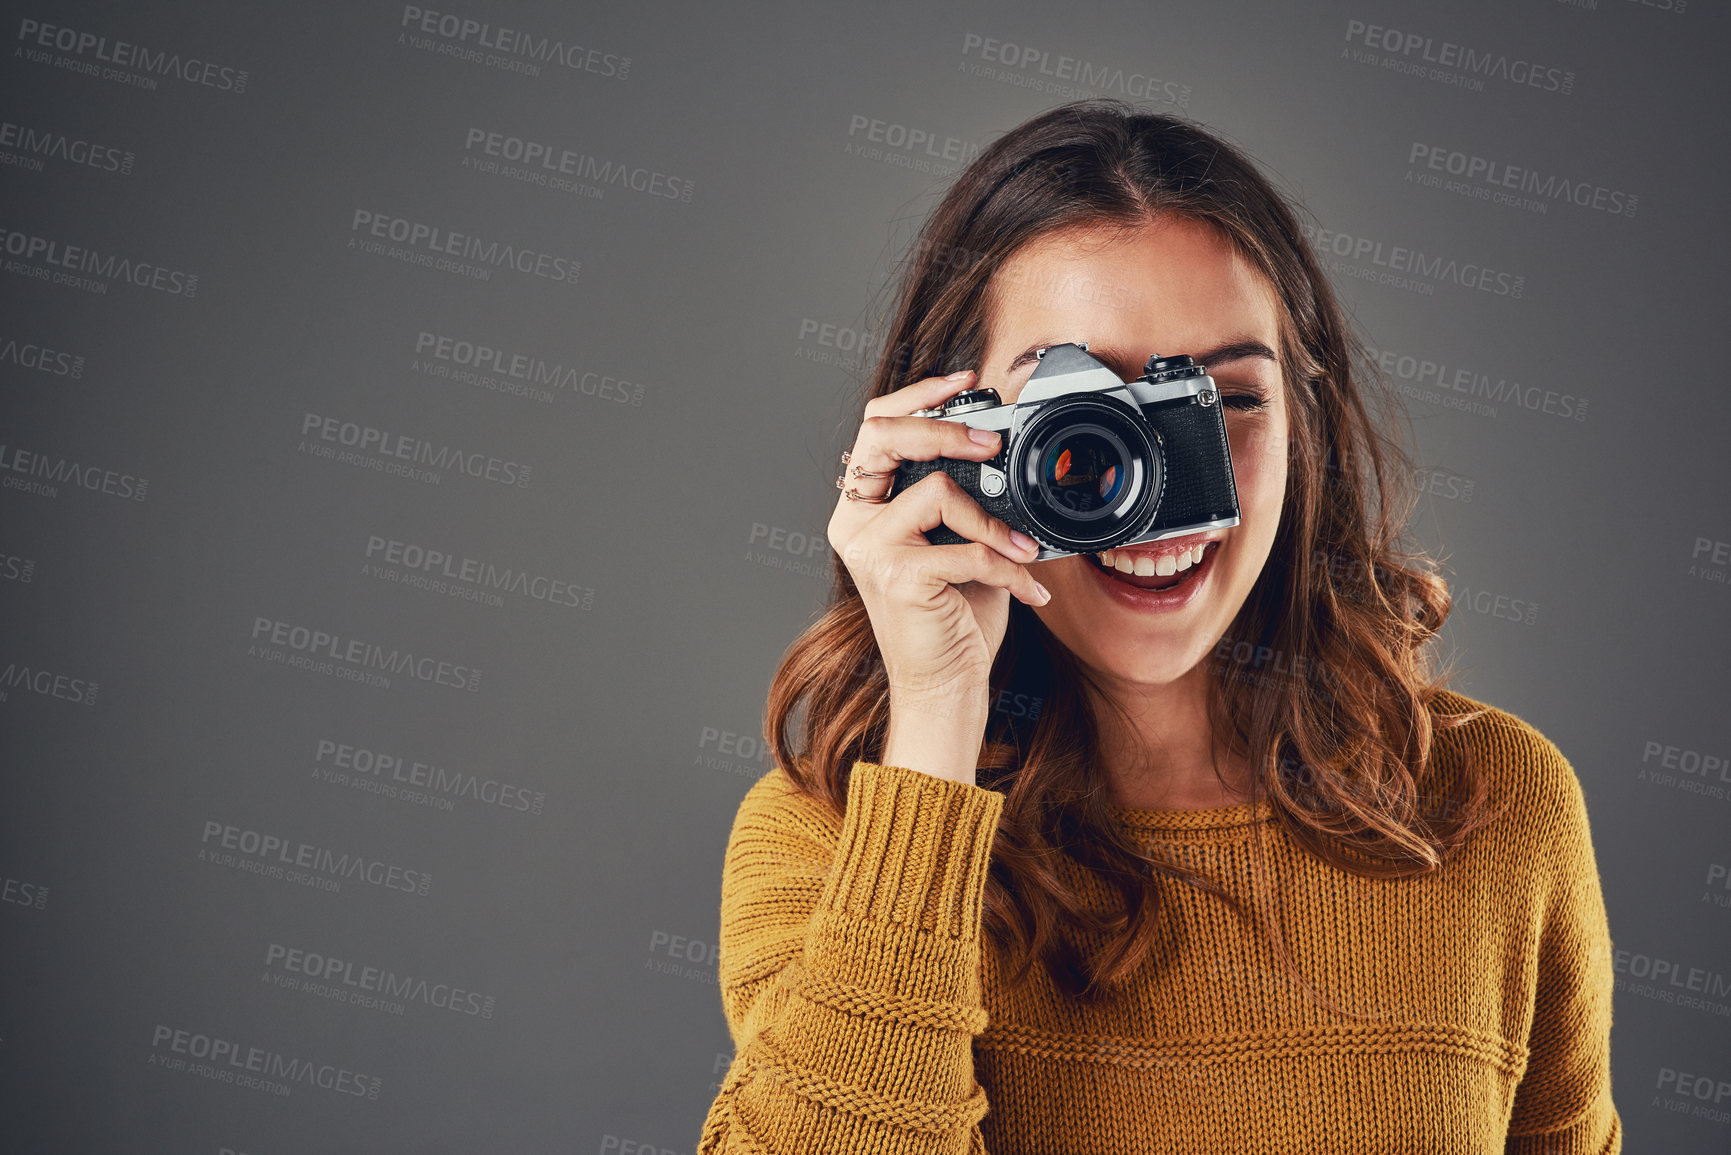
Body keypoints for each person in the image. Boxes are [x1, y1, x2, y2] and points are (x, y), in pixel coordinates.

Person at [697, 100, 1619, 1154]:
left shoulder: (1498, 803)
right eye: (1080, 420)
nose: (1158, 497)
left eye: (1220, 398)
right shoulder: (824, 842)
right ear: (954, 437)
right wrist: (938, 719)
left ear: (1305, 422)